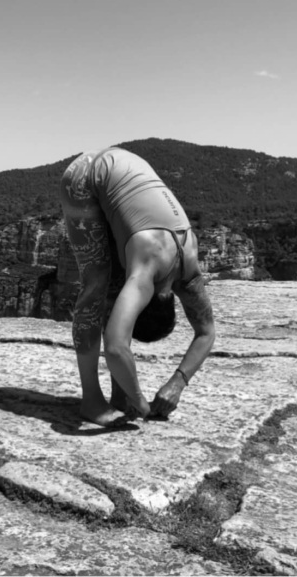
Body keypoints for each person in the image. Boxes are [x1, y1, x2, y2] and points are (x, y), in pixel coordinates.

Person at [60, 147, 215, 426]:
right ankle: (91, 401)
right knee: (96, 287)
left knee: (116, 283)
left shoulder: (188, 272)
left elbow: (207, 333)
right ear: (148, 298)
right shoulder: (144, 276)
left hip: (126, 161)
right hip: (85, 174)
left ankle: (119, 396)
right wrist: (141, 401)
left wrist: (177, 383)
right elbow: (117, 347)